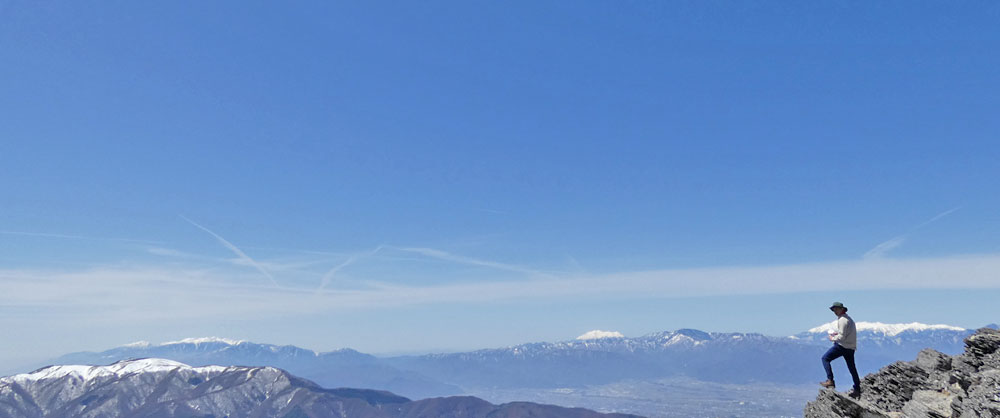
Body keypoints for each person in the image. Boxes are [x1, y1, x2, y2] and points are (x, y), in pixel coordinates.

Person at [819, 301, 862, 398]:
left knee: (825, 358)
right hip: (851, 347)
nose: (835, 311)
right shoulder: (849, 319)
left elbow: (842, 337)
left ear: (842, 309)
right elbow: (846, 334)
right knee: (852, 368)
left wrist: (832, 338)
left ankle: (830, 380)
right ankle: (857, 389)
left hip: (842, 346)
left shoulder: (842, 320)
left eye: (836, 309)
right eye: (834, 309)